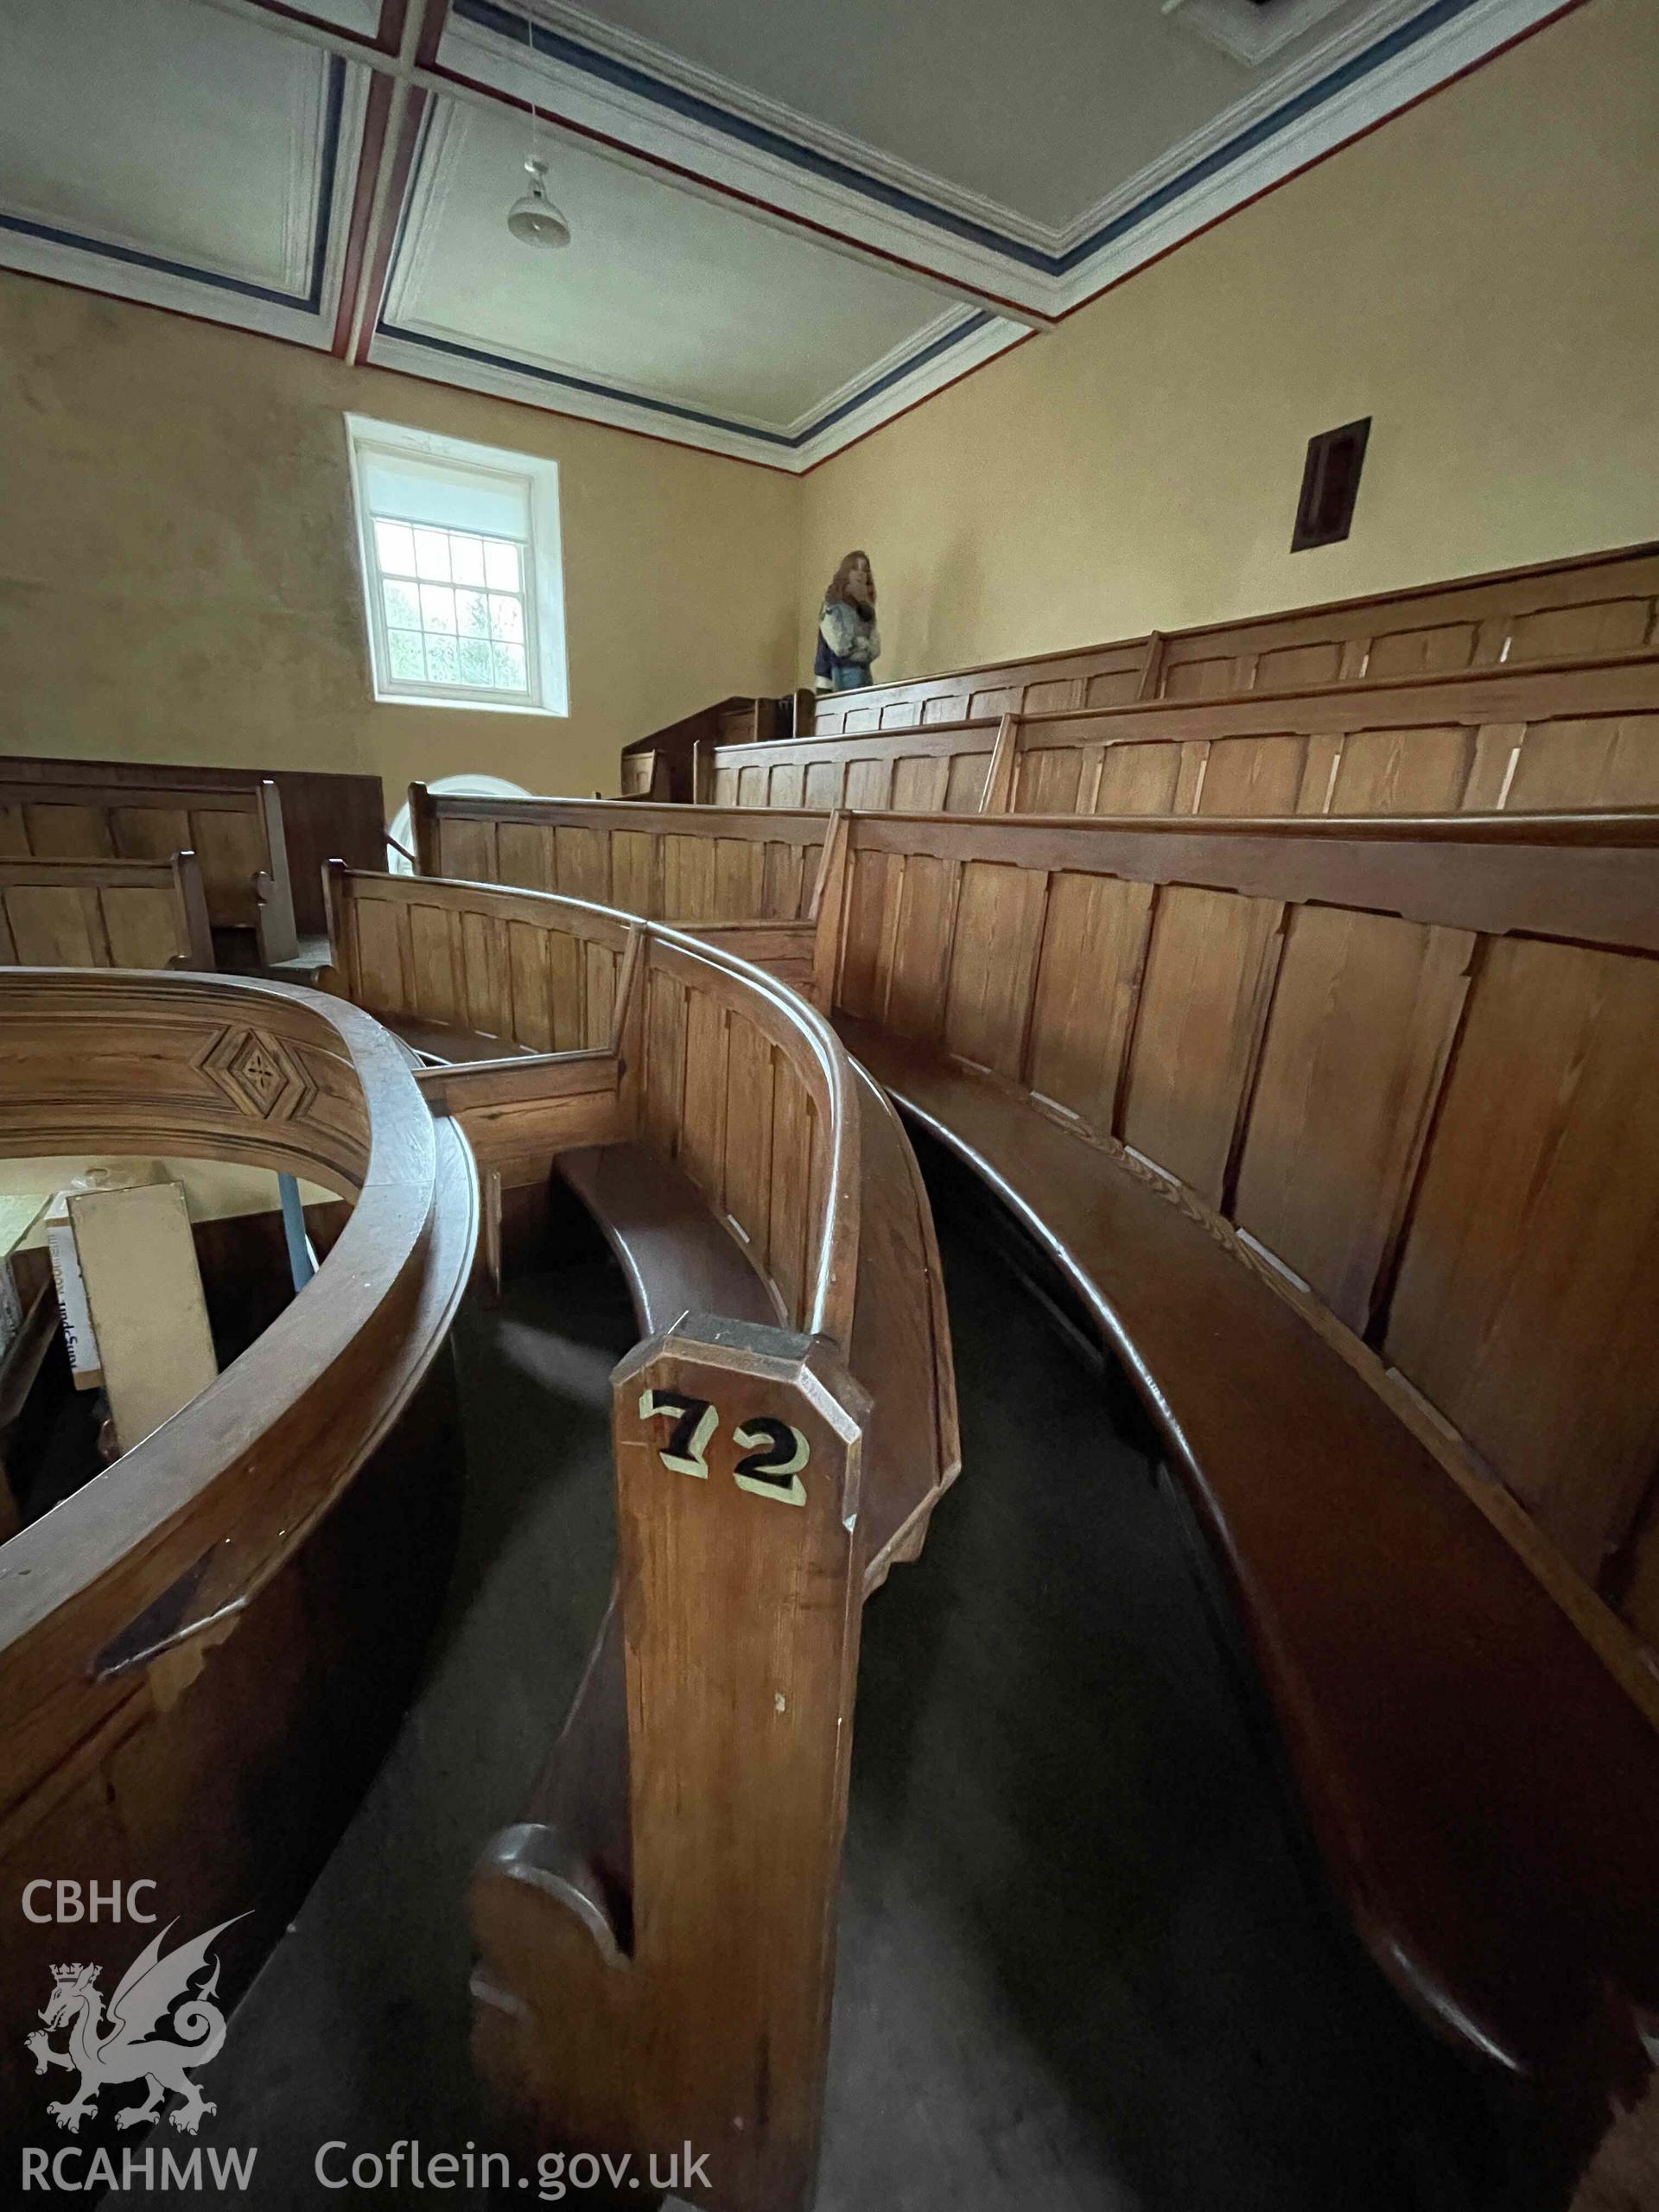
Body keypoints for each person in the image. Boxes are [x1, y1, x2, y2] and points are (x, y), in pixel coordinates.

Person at [815, 550, 880, 692]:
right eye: (855, 568)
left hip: (862, 677)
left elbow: (874, 649)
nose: (861, 574)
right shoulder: (832, 605)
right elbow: (840, 645)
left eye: (865, 570)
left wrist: (859, 645)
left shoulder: (866, 610)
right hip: (832, 679)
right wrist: (862, 644)